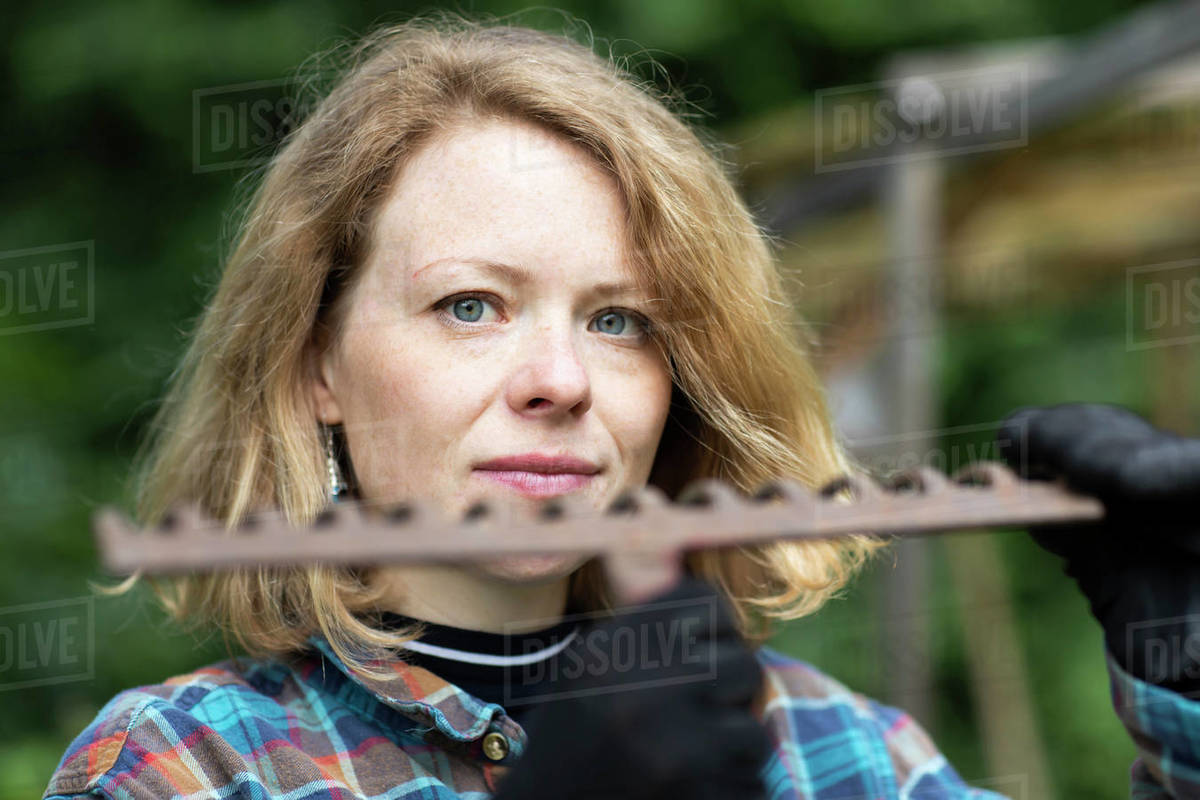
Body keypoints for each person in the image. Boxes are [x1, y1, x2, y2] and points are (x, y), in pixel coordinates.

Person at [44, 14, 1200, 800]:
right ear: (316, 366)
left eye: (619, 319)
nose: (563, 379)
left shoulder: (834, 750)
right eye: (469, 305)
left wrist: (1185, 670)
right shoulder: (189, 763)